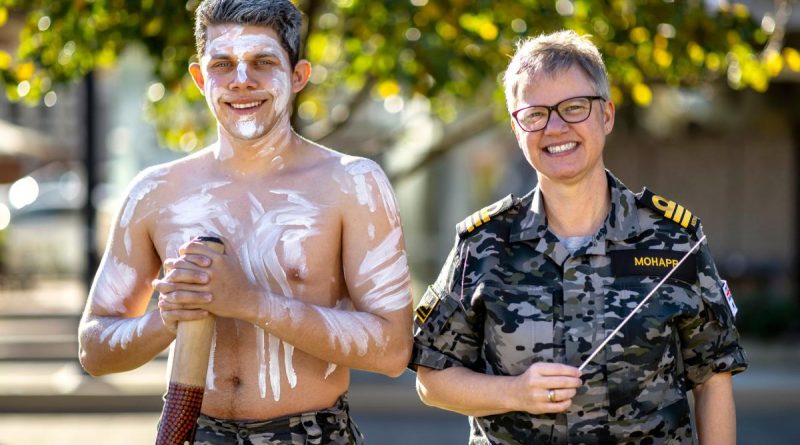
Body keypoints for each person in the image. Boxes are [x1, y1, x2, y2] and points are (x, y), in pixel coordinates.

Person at [78, 0, 413, 443]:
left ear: (298, 76)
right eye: (222, 64)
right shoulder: (156, 192)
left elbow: (393, 350)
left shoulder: (352, 184)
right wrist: (167, 318)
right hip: (193, 431)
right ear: (200, 78)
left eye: (263, 62)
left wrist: (251, 302)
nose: (241, 80)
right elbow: (94, 349)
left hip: (311, 433)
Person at [410, 30, 747, 445]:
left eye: (574, 108)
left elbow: (712, 380)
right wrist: (514, 392)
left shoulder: (674, 240)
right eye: (535, 114)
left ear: (606, 115)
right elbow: (432, 377)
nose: (555, 127)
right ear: (518, 129)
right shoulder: (483, 244)